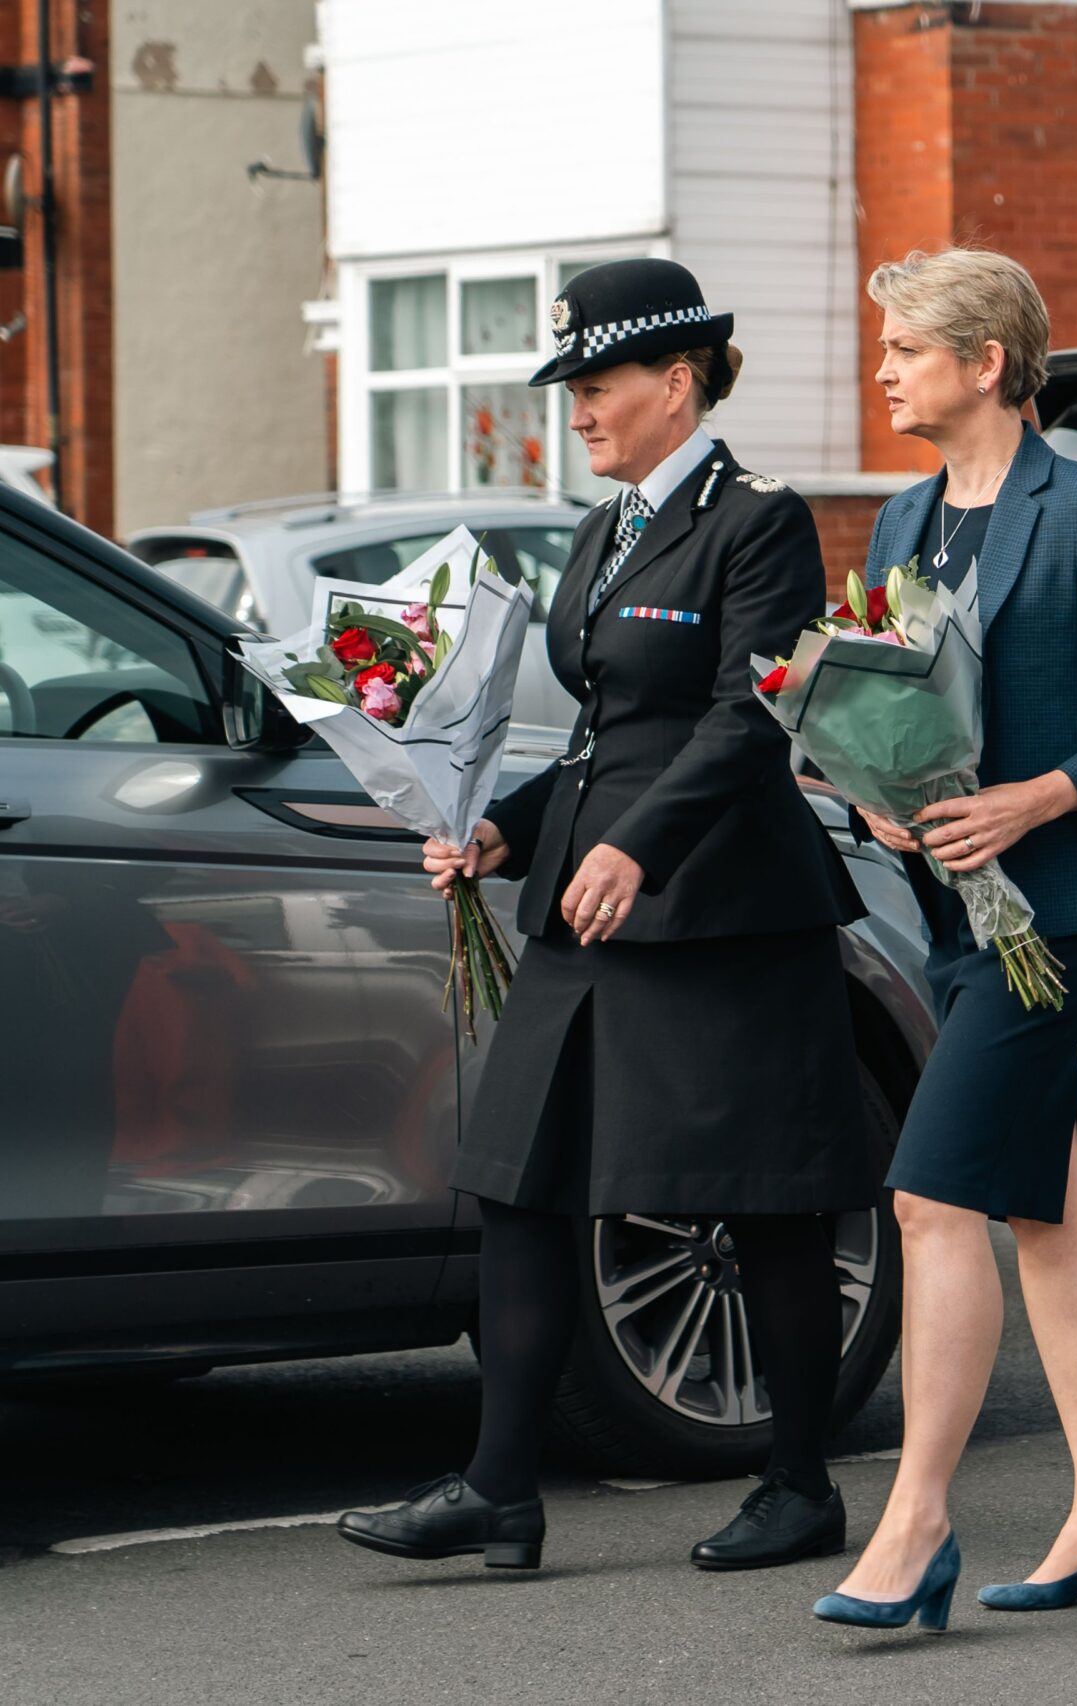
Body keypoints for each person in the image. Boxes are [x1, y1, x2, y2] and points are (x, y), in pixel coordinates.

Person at [337, 258, 874, 1573]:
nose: (575, 406)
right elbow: (599, 728)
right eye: (568, 383)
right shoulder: (602, 529)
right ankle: (501, 1490)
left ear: (676, 380)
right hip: (590, 904)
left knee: (762, 1206)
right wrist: (498, 828)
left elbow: (751, 713)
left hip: (719, 914)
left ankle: (801, 1484)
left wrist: (640, 842)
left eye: (596, 380)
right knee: (517, 1187)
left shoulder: (760, 519)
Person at [817, 248, 1077, 1633]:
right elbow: (894, 711)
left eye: (907, 347)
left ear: (987, 362)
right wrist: (886, 795)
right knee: (1040, 1211)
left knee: (930, 1197)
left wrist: (1036, 796)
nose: (884, 371)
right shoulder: (898, 526)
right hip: (958, 914)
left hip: (1073, 910)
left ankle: (915, 1521)